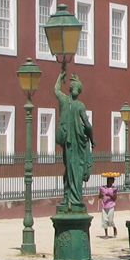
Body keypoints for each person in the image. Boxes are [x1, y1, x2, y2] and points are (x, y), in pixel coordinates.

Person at [54, 71, 95, 212]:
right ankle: (76, 199)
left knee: (68, 170)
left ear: (70, 89)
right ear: (80, 91)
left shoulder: (64, 101)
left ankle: (67, 197)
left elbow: (56, 90)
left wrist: (60, 77)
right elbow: (87, 125)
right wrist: (92, 139)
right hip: (78, 146)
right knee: (77, 170)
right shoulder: (80, 106)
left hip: (68, 144)